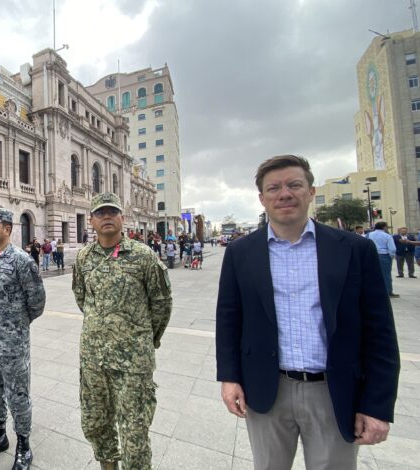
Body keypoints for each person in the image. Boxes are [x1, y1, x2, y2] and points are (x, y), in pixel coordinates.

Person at [216, 155, 400, 470]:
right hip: (267, 390)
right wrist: (229, 377)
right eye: (273, 188)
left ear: (310, 192)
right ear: (262, 198)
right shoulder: (241, 253)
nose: (284, 194)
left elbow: (380, 331)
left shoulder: (355, 249)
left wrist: (377, 405)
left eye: (294, 185)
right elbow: (229, 318)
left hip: (334, 390)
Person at [72, 193, 172, 470]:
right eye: (100, 213)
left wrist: (142, 339)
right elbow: (83, 298)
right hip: (93, 358)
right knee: (95, 421)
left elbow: (161, 304)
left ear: (122, 219)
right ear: (91, 221)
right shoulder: (83, 258)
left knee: (134, 431)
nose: (106, 217)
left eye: (112, 212)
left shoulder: (143, 256)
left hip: (132, 363)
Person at [0, 207, 45, 470]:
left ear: (8, 229)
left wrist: (16, 327)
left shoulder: (22, 262)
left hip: (13, 345)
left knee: (18, 396)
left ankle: (23, 445)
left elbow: (37, 303)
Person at [368, 221, 399, 298]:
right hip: (384, 255)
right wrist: (391, 256)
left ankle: (373, 291)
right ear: (384, 227)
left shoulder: (368, 235)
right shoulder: (387, 236)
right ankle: (388, 292)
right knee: (386, 275)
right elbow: (392, 248)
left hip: (371, 255)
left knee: (372, 274)